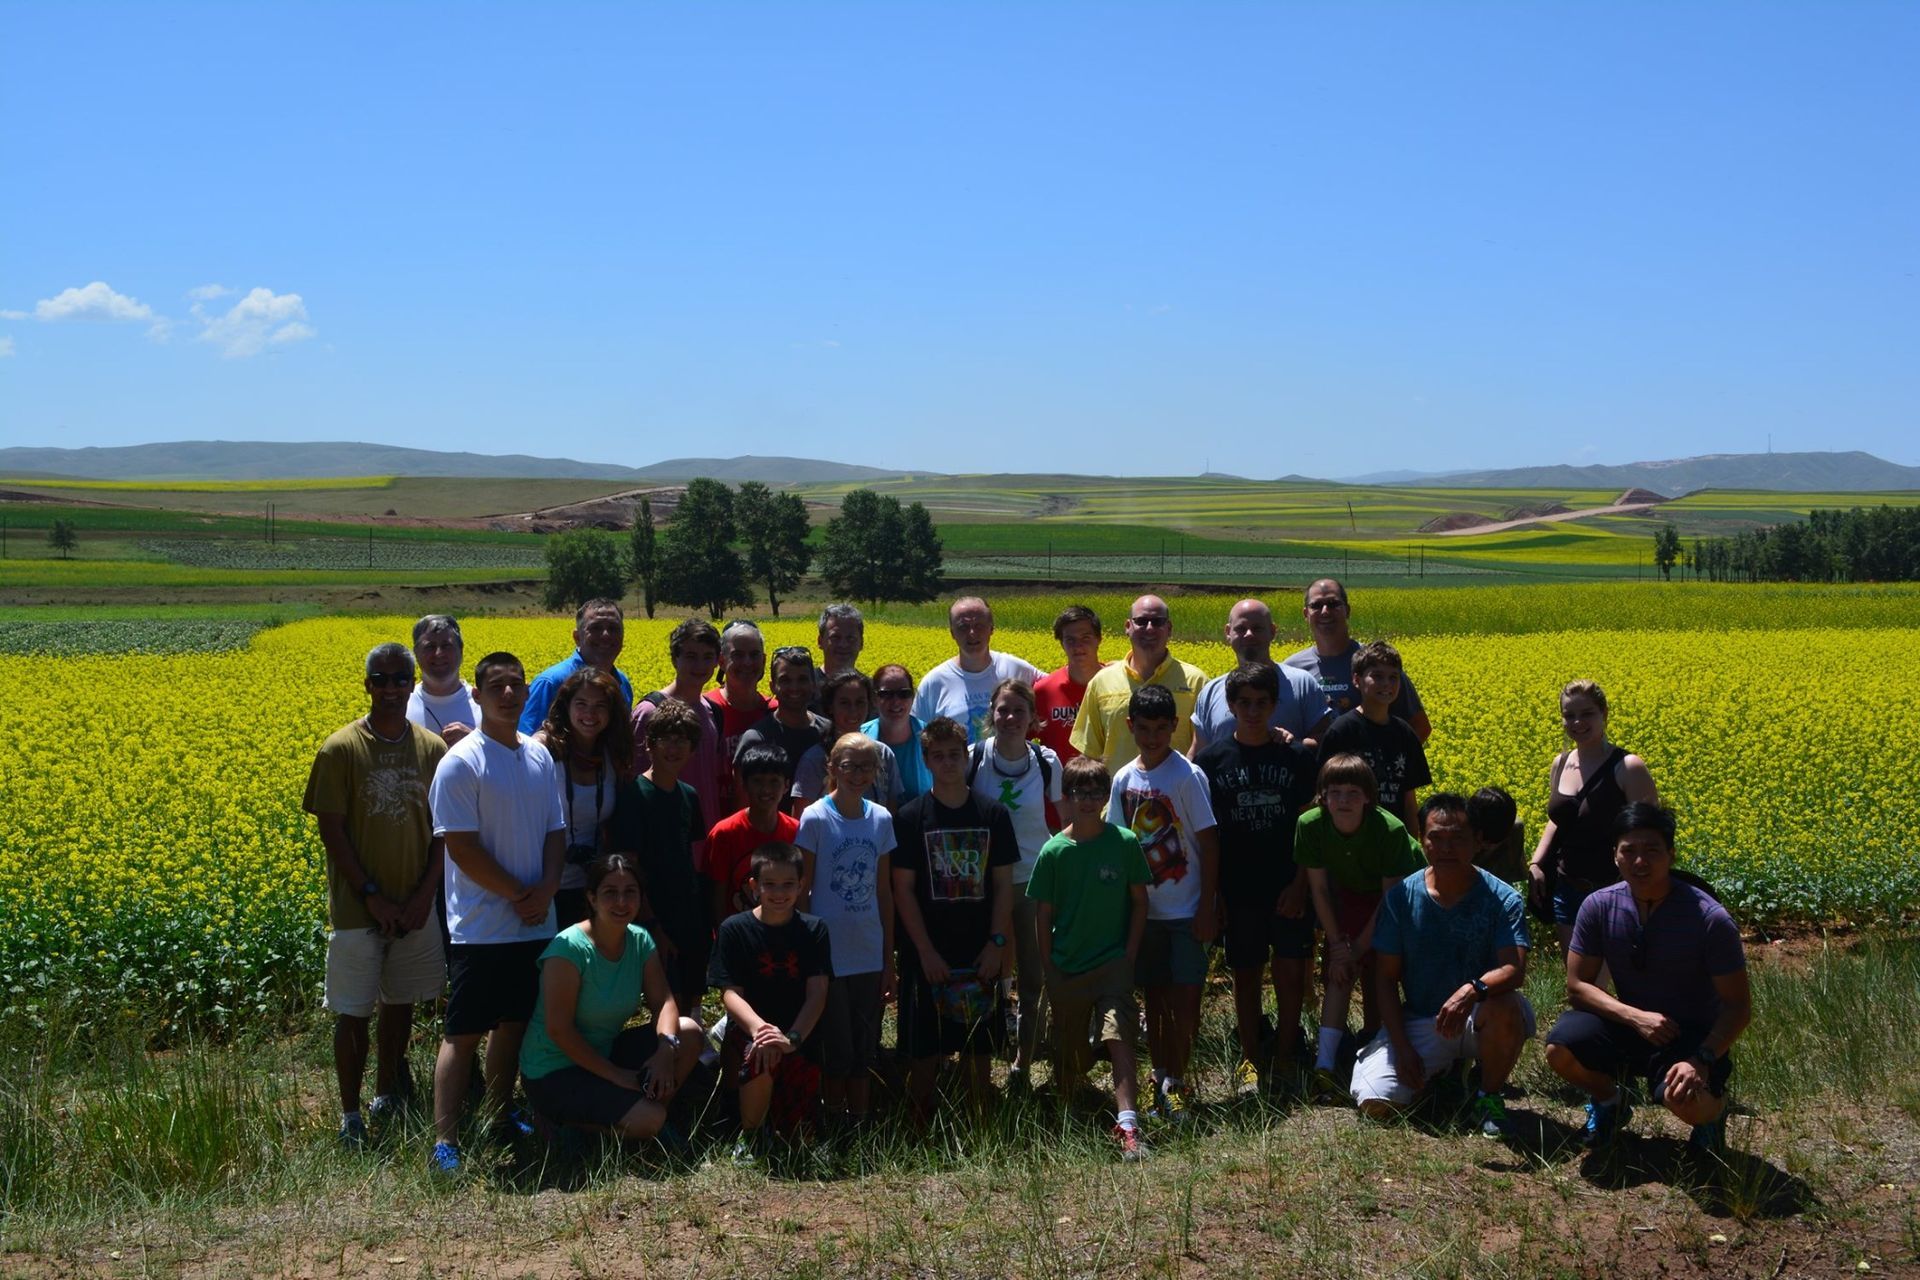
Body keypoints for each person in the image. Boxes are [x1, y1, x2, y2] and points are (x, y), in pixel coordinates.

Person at [426, 651, 567, 1175]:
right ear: (478, 695)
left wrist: (545, 890)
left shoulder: (539, 757)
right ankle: (445, 1142)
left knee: (513, 1025)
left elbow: (555, 832)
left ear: (527, 693)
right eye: (496, 686)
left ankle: (498, 1116)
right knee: (462, 1034)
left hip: (534, 922)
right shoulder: (461, 762)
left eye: (515, 685)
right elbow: (461, 848)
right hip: (480, 928)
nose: (508, 694)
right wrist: (520, 895)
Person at [303, 642, 449, 1147]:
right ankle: (350, 1114)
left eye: (399, 679)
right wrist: (371, 895)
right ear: (367, 685)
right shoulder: (340, 749)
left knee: (400, 1003)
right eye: (381, 679)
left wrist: (423, 897)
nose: (390, 688)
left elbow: (444, 830)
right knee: (353, 1011)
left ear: (412, 685)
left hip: (414, 906)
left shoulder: (432, 749)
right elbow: (332, 830)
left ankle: (387, 1092)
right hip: (357, 909)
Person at [1544, 804, 1749, 1154]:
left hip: (1689, 1037)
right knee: (1560, 1048)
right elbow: (1577, 988)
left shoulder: (1709, 919)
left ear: (1671, 854)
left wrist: (1701, 1059)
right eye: (1629, 851)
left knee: (1686, 1102)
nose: (1640, 861)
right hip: (1631, 1025)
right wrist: (1635, 1017)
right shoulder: (1598, 906)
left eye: (1652, 850)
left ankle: (1713, 1114)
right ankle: (1611, 1101)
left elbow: (1738, 1007)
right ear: (1615, 856)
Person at [1351, 794, 1534, 1139]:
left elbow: (1514, 969)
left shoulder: (1503, 898)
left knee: (1506, 1006)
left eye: (1458, 838)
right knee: (1376, 1103)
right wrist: (1402, 1047)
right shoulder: (1401, 898)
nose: (1446, 848)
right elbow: (1385, 979)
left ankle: (1488, 1096)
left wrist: (1472, 990)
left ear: (1478, 841)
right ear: (1421, 840)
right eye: (1436, 837)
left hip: (1479, 1014)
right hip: (1422, 1018)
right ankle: (1445, 1074)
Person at [1193, 663, 1320, 1094]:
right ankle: (1250, 1056)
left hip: (1286, 884)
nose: (1252, 711)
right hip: (1239, 888)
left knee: (1290, 973)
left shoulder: (1296, 757)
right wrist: (1216, 895)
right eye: (1244, 703)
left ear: (1274, 705)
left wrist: (1300, 885)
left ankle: (1285, 1054)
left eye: (1261, 703)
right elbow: (1207, 835)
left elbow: (1309, 826)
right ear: (1230, 705)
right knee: (1245, 975)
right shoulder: (1210, 761)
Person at [518, 853, 705, 1142]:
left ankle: (648, 1115)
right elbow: (559, 1030)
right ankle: (561, 1123)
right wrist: (617, 1076)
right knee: (649, 1119)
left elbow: (664, 1002)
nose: (621, 902)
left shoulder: (640, 939)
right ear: (592, 898)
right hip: (554, 1070)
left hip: (605, 1052)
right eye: (610, 892)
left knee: (689, 1031)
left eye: (630, 892)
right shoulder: (568, 950)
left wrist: (665, 1050)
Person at [891, 716, 1019, 1119]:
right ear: (926, 760)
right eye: (938, 756)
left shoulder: (993, 814)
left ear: (966, 757)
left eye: (954, 754)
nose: (947, 763)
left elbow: (1003, 885)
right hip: (927, 951)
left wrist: (997, 944)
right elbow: (902, 890)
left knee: (978, 1048)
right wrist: (924, 951)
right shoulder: (910, 817)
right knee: (924, 1049)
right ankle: (922, 1124)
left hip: (979, 948)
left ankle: (978, 1125)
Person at [1027, 754, 1153, 1161]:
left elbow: (1139, 901)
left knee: (1119, 1035)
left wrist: (1129, 953)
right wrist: (1049, 966)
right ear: (1066, 796)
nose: (1087, 800)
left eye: (1096, 792)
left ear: (1106, 797)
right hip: (1067, 966)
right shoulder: (1054, 851)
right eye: (1079, 792)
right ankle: (1069, 1110)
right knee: (1071, 1055)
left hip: (1112, 963)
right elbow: (1043, 914)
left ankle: (1128, 1124)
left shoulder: (1124, 842)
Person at [1106, 684, 1218, 1124]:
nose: (1152, 737)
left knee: (1186, 1000)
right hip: (1145, 913)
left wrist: (1207, 906)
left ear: (1174, 726)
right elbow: (1120, 844)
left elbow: (1210, 844)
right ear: (1130, 726)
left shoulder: (1187, 776)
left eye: (1160, 729)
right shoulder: (1123, 779)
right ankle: (1158, 1077)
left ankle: (1179, 1081)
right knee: (1154, 998)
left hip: (1187, 909)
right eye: (1144, 729)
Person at [1295, 754, 1425, 1103]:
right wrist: (1339, 946)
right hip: (1351, 893)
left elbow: (1390, 899)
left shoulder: (1390, 829)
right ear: (1322, 796)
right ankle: (1324, 1067)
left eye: (1353, 792)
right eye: (1335, 792)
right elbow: (1319, 889)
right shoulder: (1309, 824)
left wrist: (1357, 948)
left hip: (1402, 897)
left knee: (1386, 968)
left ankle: (1403, 1047)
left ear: (1369, 796)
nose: (1343, 801)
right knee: (1339, 971)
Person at [795, 733, 897, 1128]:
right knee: (836, 1047)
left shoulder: (881, 819)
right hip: (830, 956)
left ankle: (861, 1122)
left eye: (866, 767)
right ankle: (833, 1121)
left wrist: (888, 960)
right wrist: (810, 956)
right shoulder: (816, 818)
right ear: (832, 768)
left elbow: (883, 893)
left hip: (868, 951)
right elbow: (803, 891)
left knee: (864, 1046)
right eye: (849, 766)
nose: (858, 774)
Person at [708, 841, 832, 1164]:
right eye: (770, 884)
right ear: (754, 886)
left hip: (799, 1034)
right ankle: (751, 1138)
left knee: (798, 1140)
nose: (779, 893)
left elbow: (818, 992)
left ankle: (789, 1127)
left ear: (802, 885)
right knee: (760, 1054)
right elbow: (729, 993)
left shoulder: (814, 929)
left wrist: (792, 1038)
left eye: (788, 884)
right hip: (751, 1032)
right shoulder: (734, 929)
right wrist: (761, 1030)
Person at [968, 678, 1063, 1082]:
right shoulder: (974, 758)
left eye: (1018, 711)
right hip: (985, 885)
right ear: (991, 714)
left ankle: (1023, 1061)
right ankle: (982, 1056)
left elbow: (1066, 821)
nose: (1009, 718)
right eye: (1002, 710)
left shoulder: (1047, 761)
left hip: (1033, 881)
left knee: (1033, 977)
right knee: (984, 974)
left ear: (1032, 718)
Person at [1528, 679, 1659, 948]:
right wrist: (1536, 863)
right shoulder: (1560, 763)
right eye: (1569, 715)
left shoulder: (1628, 767)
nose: (1577, 722)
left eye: (1587, 713)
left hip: (1614, 889)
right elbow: (1557, 820)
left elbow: (1651, 833)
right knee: (1575, 972)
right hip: (1567, 887)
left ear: (1604, 714)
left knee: (1609, 972)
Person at [533, 666, 638, 927]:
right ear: (566, 707)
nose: (590, 714)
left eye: (600, 706)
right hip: (542, 886)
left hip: (593, 888)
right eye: (581, 704)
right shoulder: (543, 750)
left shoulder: (612, 755)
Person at [625, 699, 710, 1012]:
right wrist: (652, 923)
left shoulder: (689, 795)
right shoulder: (634, 794)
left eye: (682, 740)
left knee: (692, 995)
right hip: (654, 914)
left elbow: (690, 855)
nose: (673, 749)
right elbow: (630, 866)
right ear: (649, 744)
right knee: (665, 1001)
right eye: (665, 739)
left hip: (689, 912)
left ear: (692, 749)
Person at [1070, 594, 1208, 771]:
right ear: (1128, 627)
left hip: (1178, 789)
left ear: (1169, 628)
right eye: (1141, 621)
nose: (1149, 628)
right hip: (1117, 789)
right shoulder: (1101, 682)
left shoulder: (1197, 682)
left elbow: (1205, 748)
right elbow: (1090, 755)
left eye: (1157, 622)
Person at [1284, 579, 1430, 740]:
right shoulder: (1292, 669)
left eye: (1333, 604)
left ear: (1347, 610)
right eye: (1316, 605)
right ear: (1306, 614)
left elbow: (1420, 726)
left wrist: (1387, 754)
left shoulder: (1374, 662)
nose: (1325, 611)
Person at [1188, 599, 1329, 757]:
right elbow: (1198, 753)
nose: (1249, 635)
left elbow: (1325, 741)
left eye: (1257, 628)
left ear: (1272, 631)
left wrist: (1292, 744)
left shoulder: (1302, 683)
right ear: (1228, 632)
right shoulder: (1210, 692)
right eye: (1241, 629)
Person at [1317, 641, 1431, 828]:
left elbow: (1409, 800)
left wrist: (1411, 841)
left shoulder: (1404, 733)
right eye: (1377, 676)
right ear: (1357, 680)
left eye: (1393, 677)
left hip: (1393, 837)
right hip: (1351, 836)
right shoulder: (1342, 731)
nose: (1386, 683)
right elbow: (1323, 795)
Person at [632, 618, 726, 824]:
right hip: (665, 834)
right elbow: (633, 783)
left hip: (706, 832)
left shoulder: (714, 712)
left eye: (707, 657)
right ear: (675, 659)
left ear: (717, 661)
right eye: (691, 657)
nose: (700, 665)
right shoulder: (650, 711)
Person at [912, 596, 1042, 744]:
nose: (972, 633)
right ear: (952, 633)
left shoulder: (1017, 669)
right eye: (963, 627)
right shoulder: (933, 683)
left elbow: (1058, 685)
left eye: (979, 626)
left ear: (991, 628)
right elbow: (918, 740)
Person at [698, 742, 799, 931]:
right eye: (758, 781)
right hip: (738, 935)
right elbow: (716, 895)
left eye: (774, 781)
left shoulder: (796, 832)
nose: (766, 789)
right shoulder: (724, 833)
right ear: (743, 784)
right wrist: (724, 938)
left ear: (786, 785)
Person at [736, 646, 832, 814]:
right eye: (785, 680)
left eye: (802, 679)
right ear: (772, 686)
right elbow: (742, 808)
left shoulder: (829, 733)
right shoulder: (756, 738)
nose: (794, 687)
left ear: (813, 684)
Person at [792, 670, 903, 809]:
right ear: (830, 707)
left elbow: (891, 810)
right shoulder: (814, 760)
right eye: (844, 703)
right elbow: (801, 815)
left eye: (860, 702)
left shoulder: (883, 754)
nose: (853, 710)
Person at [520, 599, 632, 736]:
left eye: (614, 628)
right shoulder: (550, 683)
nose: (606, 635)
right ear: (577, 637)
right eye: (595, 628)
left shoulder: (623, 683)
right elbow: (527, 742)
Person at [705, 621, 772, 815]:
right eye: (738, 655)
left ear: (764, 660)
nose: (747, 663)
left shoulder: (774, 712)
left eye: (754, 655)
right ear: (721, 661)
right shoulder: (705, 710)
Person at [1032, 604, 1105, 764]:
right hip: (1060, 779)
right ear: (1061, 643)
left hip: (1111, 779)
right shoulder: (1043, 691)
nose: (1078, 646)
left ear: (1099, 639)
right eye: (1070, 640)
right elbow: (1022, 744)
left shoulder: (1118, 685)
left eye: (1085, 638)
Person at [407, 614, 481, 745]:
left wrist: (474, 742)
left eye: (447, 646)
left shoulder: (484, 705)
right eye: (429, 647)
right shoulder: (401, 704)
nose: (439, 654)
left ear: (461, 651)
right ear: (416, 653)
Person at [863, 663, 931, 802]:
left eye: (904, 694)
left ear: (913, 697)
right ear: (874, 699)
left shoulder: (933, 737)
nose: (896, 701)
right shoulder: (859, 738)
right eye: (886, 694)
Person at [1468, 786, 1528, 883]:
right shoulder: (1453, 836)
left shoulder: (1514, 831)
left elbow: (1516, 875)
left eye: (1491, 843)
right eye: (1480, 841)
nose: (1486, 846)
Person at [813, 602, 866, 708]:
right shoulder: (803, 688)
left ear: (861, 643)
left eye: (851, 638)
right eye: (835, 637)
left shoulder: (872, 691)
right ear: (820, 641)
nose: (843, 644)